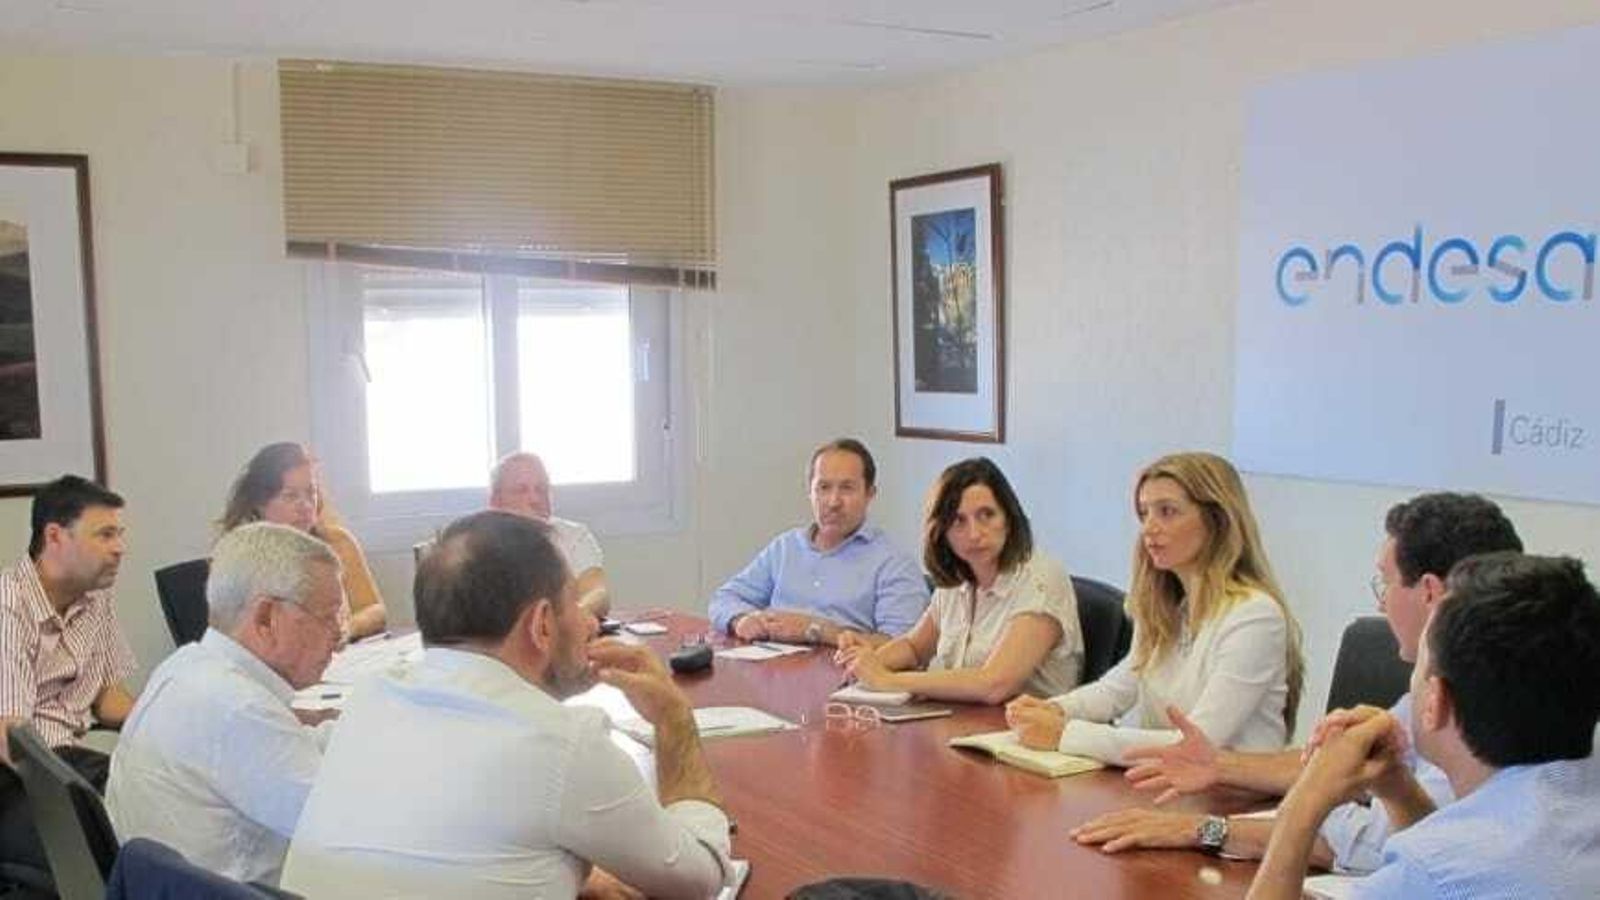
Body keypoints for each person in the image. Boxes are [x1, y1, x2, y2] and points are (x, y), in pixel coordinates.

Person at [281, 511, 731, 899]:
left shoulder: (371, 699)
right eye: (574, 602)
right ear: (541, 625)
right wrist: (673, 719)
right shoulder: (564, 744)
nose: (591, 622)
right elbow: (701, 880)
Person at [1070, 492, 1522, 871]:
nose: (1381, 605)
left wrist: (1206, 829)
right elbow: (1351, 769)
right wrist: (1222, 767)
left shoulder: (1481, 699)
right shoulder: (1451, 673)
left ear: (1428, 592)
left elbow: (1375, 844)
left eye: (1385, 583)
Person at [1247, 552, 1600, 900]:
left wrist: (1302, 807)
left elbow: (1443, 873)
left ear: (1435, 699)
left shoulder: (1432, 869)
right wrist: (1399, 790)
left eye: (1418, 668)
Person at [1005, 451, 1305, 764]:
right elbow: (1119, 688)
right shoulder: (1168, 607)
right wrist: (1056, 709)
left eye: (1167, 512)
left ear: (1217, 520)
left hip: (1232, 800)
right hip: (1168, 785)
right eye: (1145, 513)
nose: (1149, 528)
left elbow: (1196, 743)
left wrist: (1065, 734)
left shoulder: (1255, 616)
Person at [105, 523, 346, 885]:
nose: (339, 636)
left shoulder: (186, 667)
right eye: (327, 618)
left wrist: (361, 731)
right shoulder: (241, 709)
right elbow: (346, 833)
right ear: (266, 618)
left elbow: (290, 749)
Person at [835, 457, 1082, 704]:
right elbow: (914, 647)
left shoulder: (1042, 579)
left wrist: (888, 681)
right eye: (958, 521)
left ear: (1009, 517)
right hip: (962, 721)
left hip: (1024, 734)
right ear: (942, 532)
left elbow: (994, 684)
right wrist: (865, 662)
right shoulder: (959, 579)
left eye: (987, 515)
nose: (974, 534)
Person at [0, 475, 137, 877]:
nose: (119, 548)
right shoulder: (8, 607)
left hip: (69, 760)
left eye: (119, 534)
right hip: (19, 777)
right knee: (105, 856)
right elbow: (12, 739)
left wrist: (161, 726)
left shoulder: (94, 597)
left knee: (165, 805)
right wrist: (86, 796)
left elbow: (107, 697)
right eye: (105, 534)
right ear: (55, 536)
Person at [709, 438, 928, 647]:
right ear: (810, 492)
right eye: (823, 488)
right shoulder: (786, 548)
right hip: (773, 672)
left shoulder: (894, 563)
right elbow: (724, 598)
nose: (833, 502)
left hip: (844, 679)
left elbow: (905, 648)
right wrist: (741, 620)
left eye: (847, 488)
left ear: (870, 494)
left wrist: (819, 631)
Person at [220, 442, 386, 639]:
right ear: (259, 504)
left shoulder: (338, 542)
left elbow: (375, 610)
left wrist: (348, 629)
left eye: (311, 493)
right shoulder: (240, 559)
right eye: (290, 496)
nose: (305, 506)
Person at [488, 451, 610, 618]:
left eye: (541, 489)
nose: (535, 499)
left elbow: (597, 592)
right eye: (521, 490)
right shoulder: (476, 544)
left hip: (570, 632)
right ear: (496, 501)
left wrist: (574, 619)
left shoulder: (574, 535)